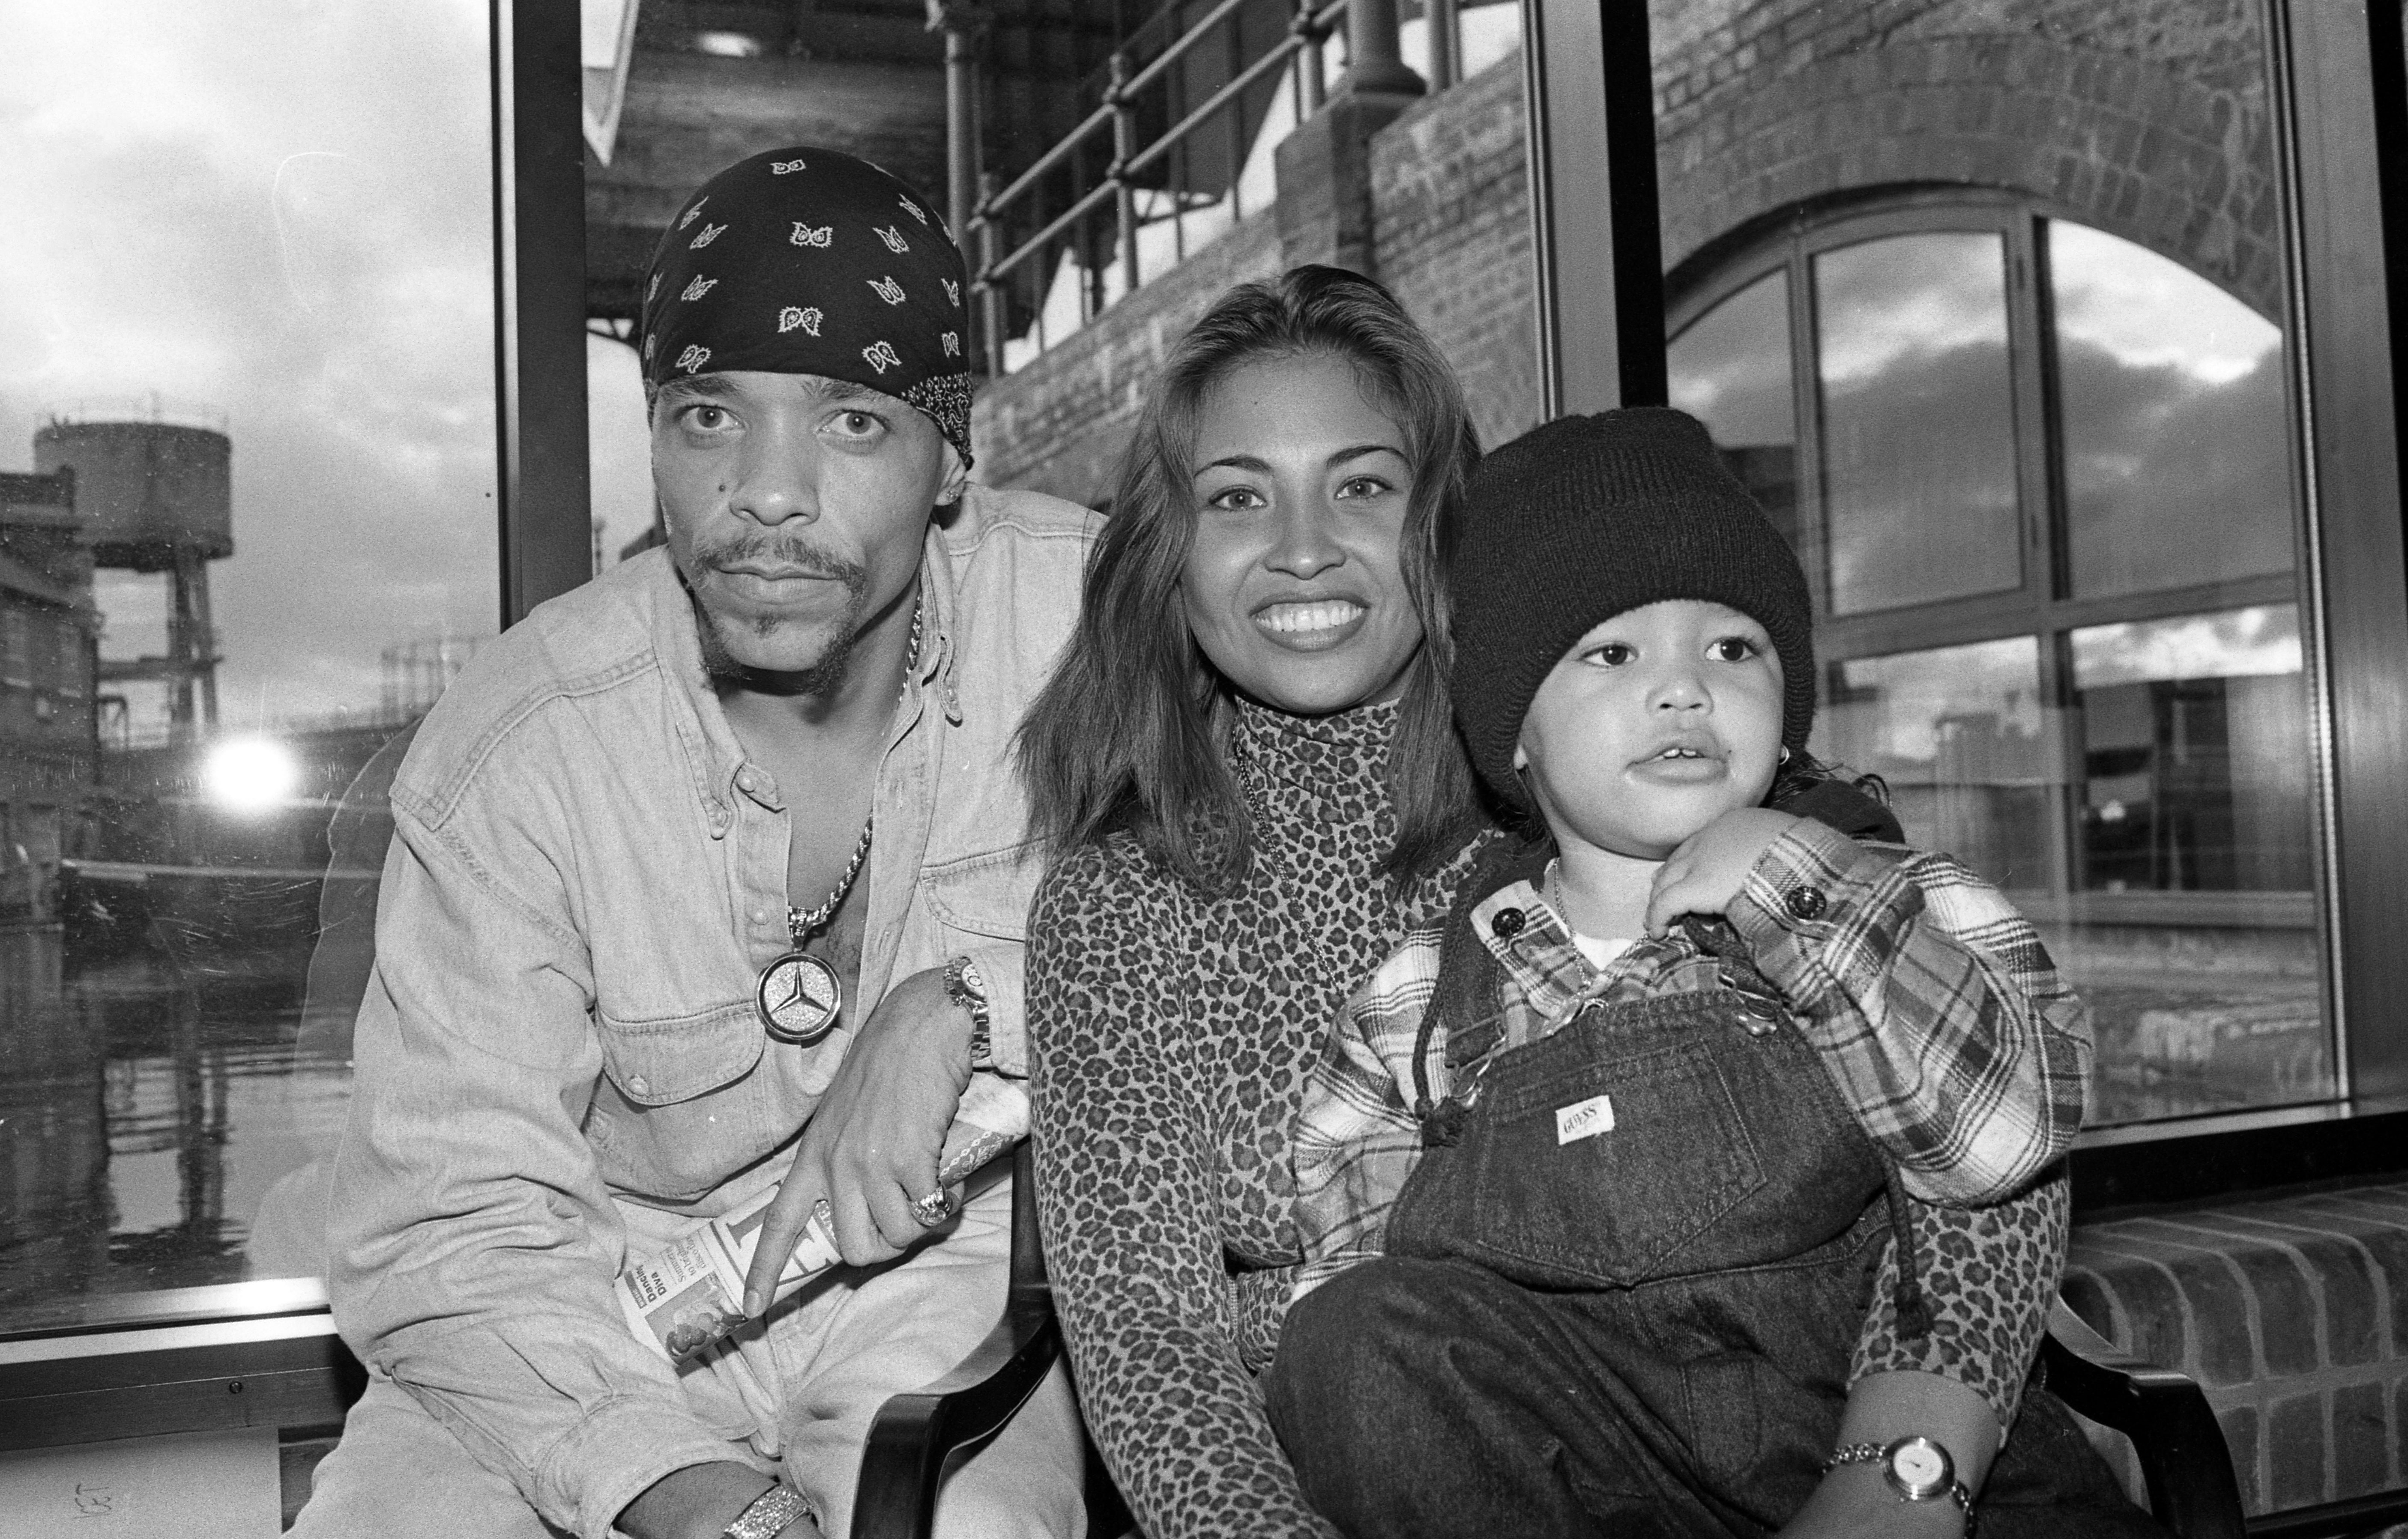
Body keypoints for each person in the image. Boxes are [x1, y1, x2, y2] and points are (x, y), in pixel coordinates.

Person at [292, 148, 1093, 1539]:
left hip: (938, 1274)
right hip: (574, 1310)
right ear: (655, 432)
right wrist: (698, 1498)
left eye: (852, 421)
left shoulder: (1090, 626)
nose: (767, 494)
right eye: (710, 416)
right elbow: (453, 1227)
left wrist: (974, 999)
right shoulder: (520, 746)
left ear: (952, 452)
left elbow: (1311, 903)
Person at [1268, 407, 2160, 1537]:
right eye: (1613, 653)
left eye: (1733, 648)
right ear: (1515, 736)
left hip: (1885, 1449)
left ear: (1788, 717)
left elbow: (2011, 1144)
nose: (1685, 688)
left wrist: (1804, 890)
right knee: (1349, 1337)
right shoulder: (1421, 995)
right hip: (1589, 1471)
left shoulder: (1895, 896)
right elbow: (1350, 1279)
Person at [1016, 265, 1490, 1538]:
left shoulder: (1578, 822)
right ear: (1170, 555)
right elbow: (1147, 1334)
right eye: (1239, 496)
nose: (1302, 547)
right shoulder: (1117, 909)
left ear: (1439, 519)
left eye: (1363, 484)